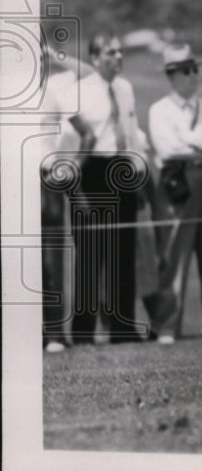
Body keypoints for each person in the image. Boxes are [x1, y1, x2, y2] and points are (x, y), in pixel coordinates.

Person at [148, 44, 202, 343]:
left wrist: (190, 140)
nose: (193, 75)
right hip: (178, 183)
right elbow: (167, 149)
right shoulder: (159, 110)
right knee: (175, 255)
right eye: (186, 70)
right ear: (171, 75)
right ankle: (169, 327)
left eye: (195, 69)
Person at [68, 33, 149, 345]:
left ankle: (122, 328)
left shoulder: (125, 89)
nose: (118, 57)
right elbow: (74, 145)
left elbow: (130, 134)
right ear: (95, 57)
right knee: (90, 254)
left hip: (122, 170)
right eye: (111, 52)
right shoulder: (79, 93)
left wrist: (136, 178)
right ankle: (84, 332)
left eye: (120, 52)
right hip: (92, 174)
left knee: (123, 253)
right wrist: (77, 191)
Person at [38, 50, 95, 352]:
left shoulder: (55, 89)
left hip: (47, 181)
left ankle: (56, 334)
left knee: (52, 260)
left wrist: (73, 166)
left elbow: (88, 134)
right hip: (12, 184)